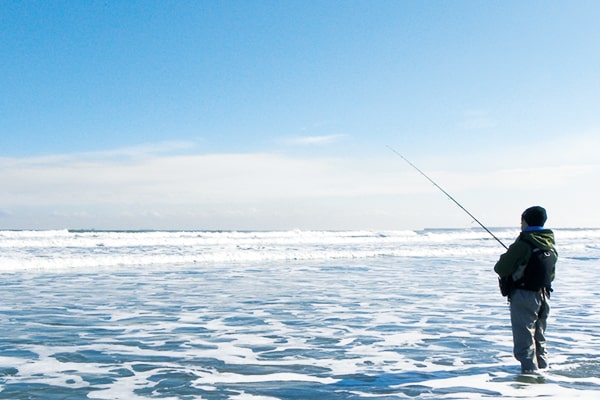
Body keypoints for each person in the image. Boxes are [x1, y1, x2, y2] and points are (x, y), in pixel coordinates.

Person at [494, 206, 557, 374]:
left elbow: (501, 268)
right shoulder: (550, 244)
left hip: (524, 295)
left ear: (526, 221)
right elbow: (551, 274)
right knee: (539, 337)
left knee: (525, 340)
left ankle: (530, 378)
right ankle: (543, 370)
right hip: (545, 295)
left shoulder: (523, 243)